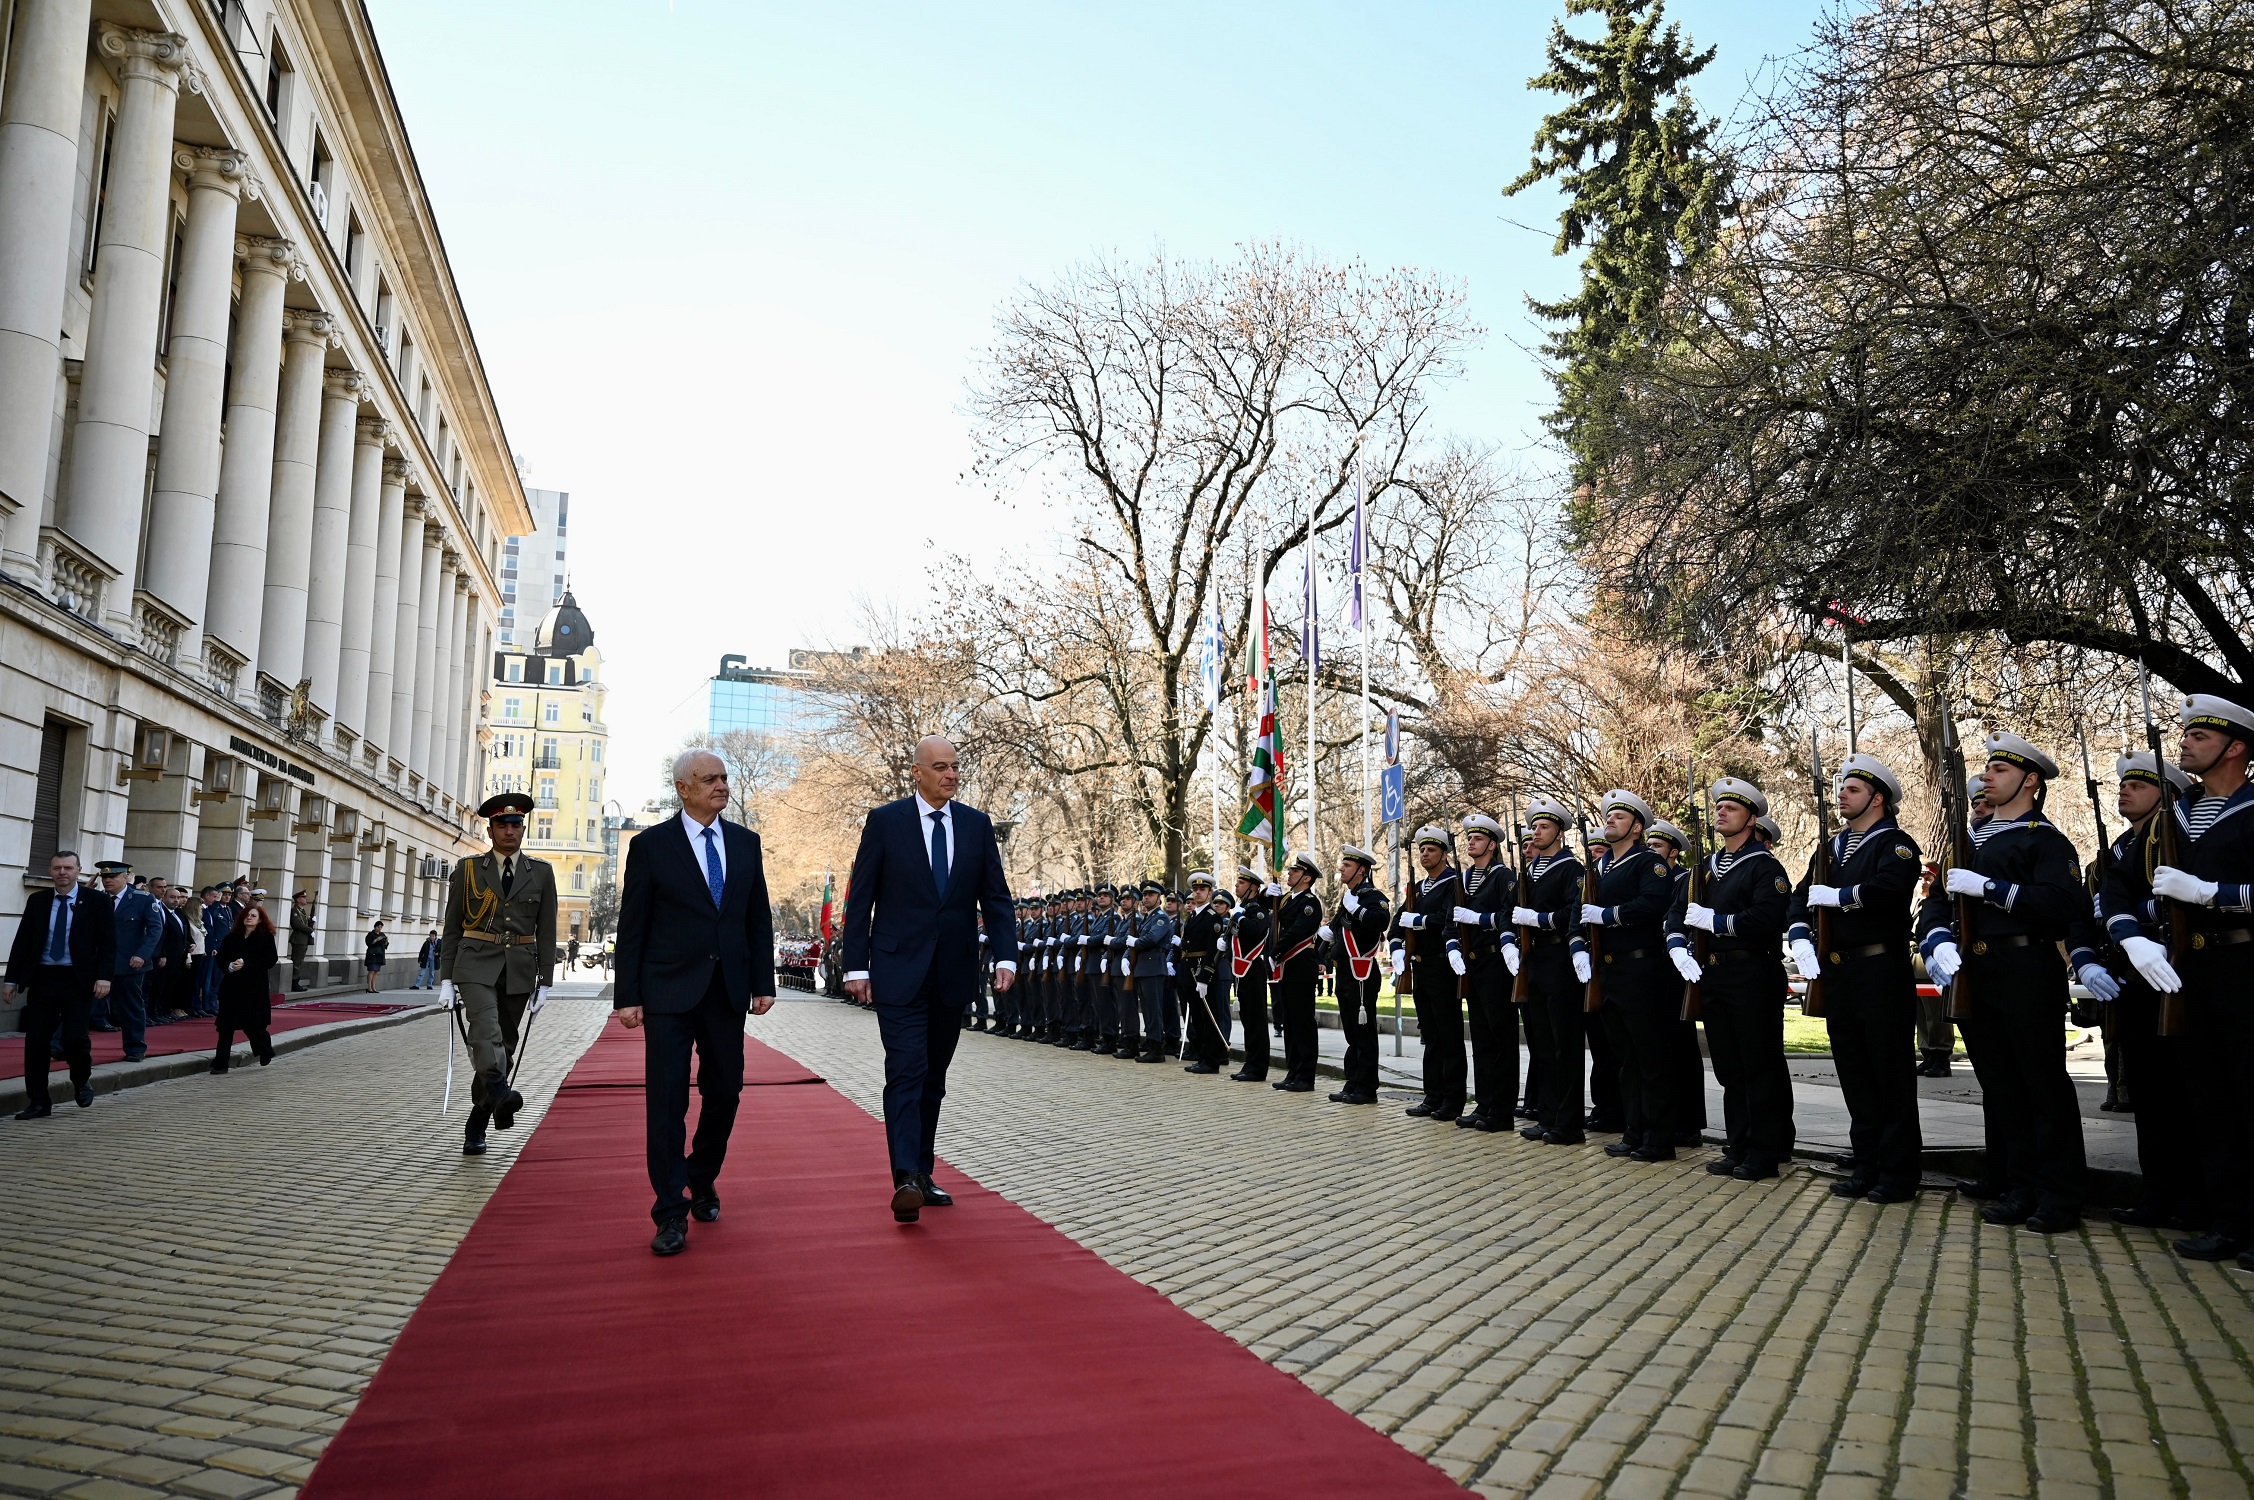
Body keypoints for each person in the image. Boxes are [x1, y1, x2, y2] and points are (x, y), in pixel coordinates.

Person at [840, 735, 1017, 1225]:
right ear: (916, 772)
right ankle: (905, 1177)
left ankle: (922, 1168)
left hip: (953, 974)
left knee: (933, 1078)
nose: (952, 775)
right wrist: (856, 966)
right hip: (897, 972)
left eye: (956, 767)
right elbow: (862, 901)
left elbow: (996, 900)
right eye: (941, 767)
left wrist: (1007, 957)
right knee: (906, 1071)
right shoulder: (886, 822)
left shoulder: (976, 826)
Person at [1920, 732, 2088, 1234]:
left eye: (2000, 770)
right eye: (1987, 768)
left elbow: (2063, 906)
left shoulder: (2045, 839)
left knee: (2041, 1084)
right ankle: (2018, 1185)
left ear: (2030, 781)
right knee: (2000, 1084)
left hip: (2024, 969)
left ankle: (2058, 1194)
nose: (1987, 776)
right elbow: (1936, 901)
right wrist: (1934, 940)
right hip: (1976, 970)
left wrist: (1993, 888)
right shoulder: (1968, 841)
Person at [615, 752, 774, 1253]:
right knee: (667, 1101)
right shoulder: (651, 846)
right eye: (711, 779)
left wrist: (762, 981)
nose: (722, 786)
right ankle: (669, 1211)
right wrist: (628, 995)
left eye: (725, 778)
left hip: (726, 991)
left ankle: (701, 1177)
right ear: (683, 788)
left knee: (725, 1091)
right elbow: (633, 925)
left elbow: (757, 917)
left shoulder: (746, 844)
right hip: (667, 992)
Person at [2143, 695, 2254, 1266]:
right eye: (2184, 734)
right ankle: (2227, 1220)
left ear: (2235, 748)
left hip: (2244, 968)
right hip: (2191, 969)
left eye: (2199, 737)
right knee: (2208, 1101)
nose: (2183, 742)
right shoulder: (2176, 812)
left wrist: (2216, 895)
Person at [1789, 754, 1925, 1203]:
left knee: (1889, 1073)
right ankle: (1866, 1163)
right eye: (1841, 788)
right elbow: (1801, 897)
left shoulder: (1896, 844)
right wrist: (1800, 934)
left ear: (1877, 798)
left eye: (1852, 789)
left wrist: (1842, 896)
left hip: (1879, 969)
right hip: (1840, 972)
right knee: (1854, 1072)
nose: (1841, 796)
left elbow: (1889, 892)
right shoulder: (1829, 848)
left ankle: (1899, 1172)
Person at [2095, 749, 2200, 1232]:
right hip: (2135, 979)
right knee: (2150, 1095)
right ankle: (2160, 1194)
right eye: (2125, 784)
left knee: (2186, 1095)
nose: (2125, 790)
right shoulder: (2121, 846)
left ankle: (2195, 1199)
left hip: (2177, 974)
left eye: (2139, 785)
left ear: (2168, 796)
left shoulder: (2174, 835)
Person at [1672, 778, 1795, 1182]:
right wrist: (1677, 944)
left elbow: (1768, 918)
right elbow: (1677, 912)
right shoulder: (1705, 868)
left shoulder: (1764, 865)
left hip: (1751, 972)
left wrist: (1718, 922)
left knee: (1757, 1065)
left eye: (1732, 809)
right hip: (1714, 974)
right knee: (1728, 1067)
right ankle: (1738, 1144)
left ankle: (1764, 1151)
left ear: (1751, 819)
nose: (1721, 813)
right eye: (1719, 808)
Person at [444, 794, 561, 1159]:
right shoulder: (467, 870)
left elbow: (547, 930)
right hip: (475, 963)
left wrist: (545, 980)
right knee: (485, 1029)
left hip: (520, 967)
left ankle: (480, 1115)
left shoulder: (540, 872)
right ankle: (499, 1091)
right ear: (490, 829)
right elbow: (451, 929)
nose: (509, 831)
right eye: (502, 825)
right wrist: (446, 979)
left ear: (522, 829)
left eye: (516, 825)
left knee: (505, 1045)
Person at [1577, 790, 1680, 1163]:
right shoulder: (1597, 868)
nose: (1610, 821)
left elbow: (1653, 905)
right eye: (1608, 816)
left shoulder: (1648, 863)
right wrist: (1578, 947)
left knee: (1650, 1056)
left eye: (1619, 817)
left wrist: (1607, 916)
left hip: (1640, 969)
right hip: (1608, 971)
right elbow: (1579, 911)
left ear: (1636, 827)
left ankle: (1659, 1137)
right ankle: (1633, 1130)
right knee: (1625, 1058)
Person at [4, 852, 114, 1118]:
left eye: (68, 867)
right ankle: (39, 1101)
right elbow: (23, 941)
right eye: (57, 868)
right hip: (43, 979)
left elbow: (109, 942)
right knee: (37, 1042)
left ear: (79, 870)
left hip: (78, 980)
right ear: (51, 871)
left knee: (75, 1038)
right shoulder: (38, 901)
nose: (62, 872)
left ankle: (80, 1079)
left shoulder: (97, 901)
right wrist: (11, 979)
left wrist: (104, 976)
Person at [1509, 798, 1588, 1144]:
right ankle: (1548, 1114)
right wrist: (1512, 938)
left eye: (1543, 827)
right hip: (1535, 960)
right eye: (1534, 827)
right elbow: (1511, 912)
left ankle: (1568, 1123)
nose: (1536, 832)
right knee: (1542, 1043)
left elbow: (1575, 913)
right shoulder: (1529, 872)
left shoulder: (1572, 869)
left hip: (1559, 959)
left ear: (1559, 832)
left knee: (1564, 1043)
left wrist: (1538, 920)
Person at [1643, 820, 1708, 1148]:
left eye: (1657, 847)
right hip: (1653, 968)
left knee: (1682, 1046)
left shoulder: (1684, 879)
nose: (1651, 851)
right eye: (1649, 845)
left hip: (1678, 970)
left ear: (1674, 852)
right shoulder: (1647, 875)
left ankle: (1690, 1122)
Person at [1394, 825, 1465, 1120]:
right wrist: (1397, 945)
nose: (1425, 854)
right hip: (1421, 968)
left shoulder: (1453, 883)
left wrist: (1419, 921)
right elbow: (1398, 920)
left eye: (1431, 850)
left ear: (1444, 854)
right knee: (1430, 1036)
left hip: (1443, 966)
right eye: (1422, 850)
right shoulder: (1418, 887)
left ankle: (1453, 1099)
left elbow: (1448, 918)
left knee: (1449, 1036)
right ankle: (1432, 1095)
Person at [1324, 846, 1392, 1105]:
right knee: (1352, 1032)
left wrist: (1358, 910)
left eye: (1347, 866)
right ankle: (1353, 1081)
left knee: (1363, 1033)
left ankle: (1366, 1088)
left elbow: (1381, 920)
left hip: (1361, 972)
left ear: (1361, 870)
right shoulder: (1350, 897)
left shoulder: (1371, 896)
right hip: (1345, 971)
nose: (1341, 869)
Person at [95, 860, 162, 1061]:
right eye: (104, 877)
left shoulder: (142, 899)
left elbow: (155, 929)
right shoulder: (98, 899)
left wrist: (142, 954)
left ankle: (135, 1048)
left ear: (126, 877)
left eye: (112, 877)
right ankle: (60, 1044)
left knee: (130, 1007)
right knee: (79, 1004)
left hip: (129, 964)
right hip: (99, 963)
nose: (107, 881)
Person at [1270, 855, 1325, 1094]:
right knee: (1289, 1022)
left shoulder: (1309, 902)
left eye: (1294, 871)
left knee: (1303, 1023)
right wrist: (1265, 892)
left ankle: (1305, 1076)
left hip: (1301, 966)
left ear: (1306, 877)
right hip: (1287, 968)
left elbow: (1296, 931)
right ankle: (1293, 1071)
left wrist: (1276, 950)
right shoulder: (1285, 900)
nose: (1289, 874)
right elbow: (1266, 905)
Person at [211, 902, 279, 1073]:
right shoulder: (232, 937)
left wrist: (247, 963)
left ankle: (265, 1051)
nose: (249, 918)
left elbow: (270, 960)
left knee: (253, 1025)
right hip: (232, 987)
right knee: (226, 1027)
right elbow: (221, 957)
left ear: (260, 920)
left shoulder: (265, 937)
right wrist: (229, 966)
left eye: (253, 916)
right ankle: (220, 1064)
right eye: (247, 915)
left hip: (254, 988)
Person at [1178, 874, 1230, 1074]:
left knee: (1208, 1017)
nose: (1197, 892)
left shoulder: (1213, 917)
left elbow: (1213, 950)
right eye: (1195, 889)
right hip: (1189, 971)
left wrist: (1205, 977)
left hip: (1202, 973)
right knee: (1198, 1018)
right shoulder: (1193, 916)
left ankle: (1211, 1060)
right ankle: (1201, 1057)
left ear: (1210, 893)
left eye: (1202, 890)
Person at [1228, 869, 1275, 1082]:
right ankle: (1250, 1063)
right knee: (1247, 1019)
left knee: (1256, 1019)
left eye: (1240, 883)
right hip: (1241, 968)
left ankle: (1258, 1067)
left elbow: (1255, 930)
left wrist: (1238, 916)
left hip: (1253, 967)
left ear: (1253, 888)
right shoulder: (1242, 908)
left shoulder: (1258, 909)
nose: (1236, 886)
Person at [1126, 879, 1175, 1063]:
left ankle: (1157, 1049)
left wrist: (1136, 943)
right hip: (1143, 968)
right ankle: (1152, 1045)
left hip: (1154, 967)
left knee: (1154, 1011)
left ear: (1158, 899)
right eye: (1145, 895)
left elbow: (1153, 938)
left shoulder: (1160, 918)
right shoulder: (1148, 918)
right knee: (1147, 1010)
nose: (1146, 897)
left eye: (1151, 895)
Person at [362, 920, 388, 992]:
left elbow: (385, 945)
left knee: (376, 971)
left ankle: (374, 987)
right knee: (371, 971)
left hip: (379, 955)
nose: (379, 929)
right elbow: (369, 943)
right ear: (375, 927)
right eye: (378, 927)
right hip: (372, 955)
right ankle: (369, 987)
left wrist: (385, 941)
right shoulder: (370, 934)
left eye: (381, 927)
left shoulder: (382, 934)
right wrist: (376, 939)